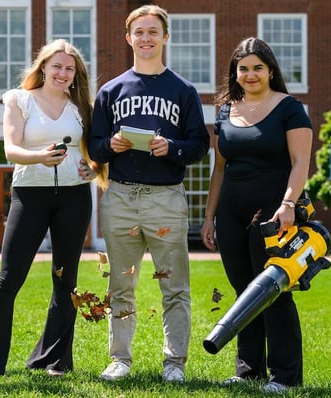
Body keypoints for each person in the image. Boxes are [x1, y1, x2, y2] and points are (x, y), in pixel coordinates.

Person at [0, 39, 107, 378]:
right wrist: (40, 157)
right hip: (29, 194)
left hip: (74, 196)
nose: (63, 73)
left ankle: (53, 360)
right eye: (56, 66)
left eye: (69, 68)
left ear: (76, 74)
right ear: (43, 67)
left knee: (66, 280)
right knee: (10, 277)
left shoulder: (81, 105)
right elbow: (11, 149)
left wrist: (94, 167)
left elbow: (93, 151)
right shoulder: (19, 100)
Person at [88, 5, 210, 383]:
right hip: (121, 196)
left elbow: (200, 144)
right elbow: (94, 148)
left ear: (165, 37)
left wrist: (171, 148)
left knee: (173, 285)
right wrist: (112, 145)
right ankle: (120, 359)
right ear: (129, 38)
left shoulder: (183, 91)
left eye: (153, 32)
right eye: (138, 32)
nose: (146, 38)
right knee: (121, 284)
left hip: (165, 198)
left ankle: (175, 364)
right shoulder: (111, 91)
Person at [200, 37, 314, 394]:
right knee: (242, 291)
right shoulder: (225, 111)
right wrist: (209, 217)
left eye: (257, 68)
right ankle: (248, 370)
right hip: (231, 213)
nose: (250, 75)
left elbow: (301, 162)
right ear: (235, 73)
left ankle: (285, 376)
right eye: (243, 68)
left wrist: (288, 204)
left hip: (272, 213)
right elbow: (219, 169)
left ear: (270, 70)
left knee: (272, 291)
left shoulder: (290, 108)